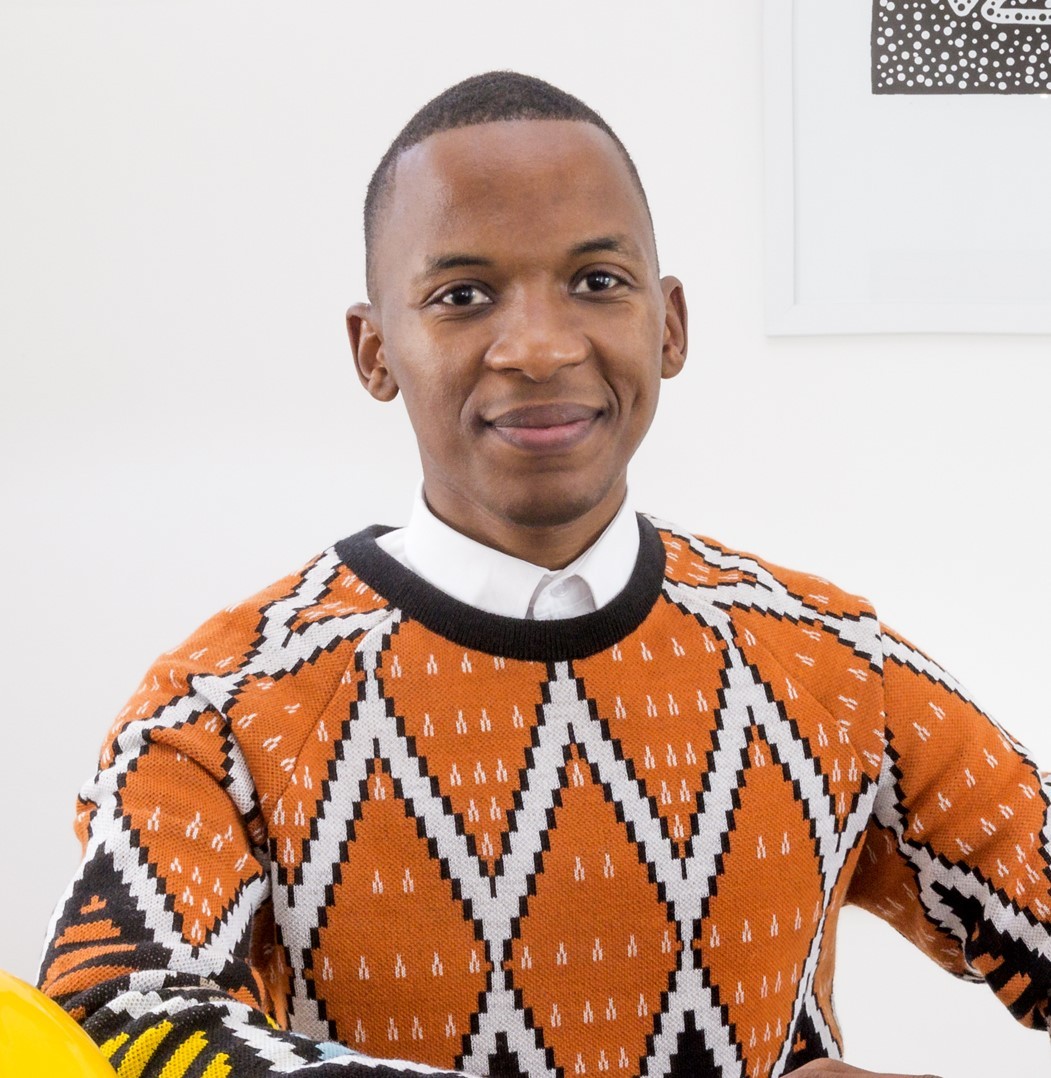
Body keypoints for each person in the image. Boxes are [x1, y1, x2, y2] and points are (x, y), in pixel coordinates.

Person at [37, 71, 1051, 1078]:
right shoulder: (218, 708)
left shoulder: (833, 664)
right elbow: (115, 1021)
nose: (537, 347)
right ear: (374, 350)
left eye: (597, 282)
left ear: (669, 325)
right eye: (462, 296)